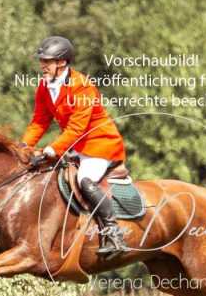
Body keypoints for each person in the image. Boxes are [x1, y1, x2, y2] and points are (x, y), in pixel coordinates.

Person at [20, 36, 129, 257]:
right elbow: (40, 121)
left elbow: (77, 128)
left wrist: (52, 149)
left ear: (62, 63)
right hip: (76, 148)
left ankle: (114, 233)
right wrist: (22, 146)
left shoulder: (83, 87)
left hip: (100, 146)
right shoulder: (44, 86)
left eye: (47, 61)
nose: (42, 65)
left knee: (84, 180)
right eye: (42, 60)